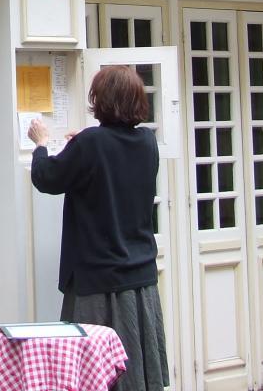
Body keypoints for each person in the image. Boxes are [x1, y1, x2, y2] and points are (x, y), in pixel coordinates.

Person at [28, 64, 168, 391]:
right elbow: (111, 157)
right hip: (140, 278)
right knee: (135, 376)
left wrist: (40, 143)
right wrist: (82, 144)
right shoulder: (147, 141)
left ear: (100, 99)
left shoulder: (91, 143)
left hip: (98, 280)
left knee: (93, 376)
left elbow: (47, 178)